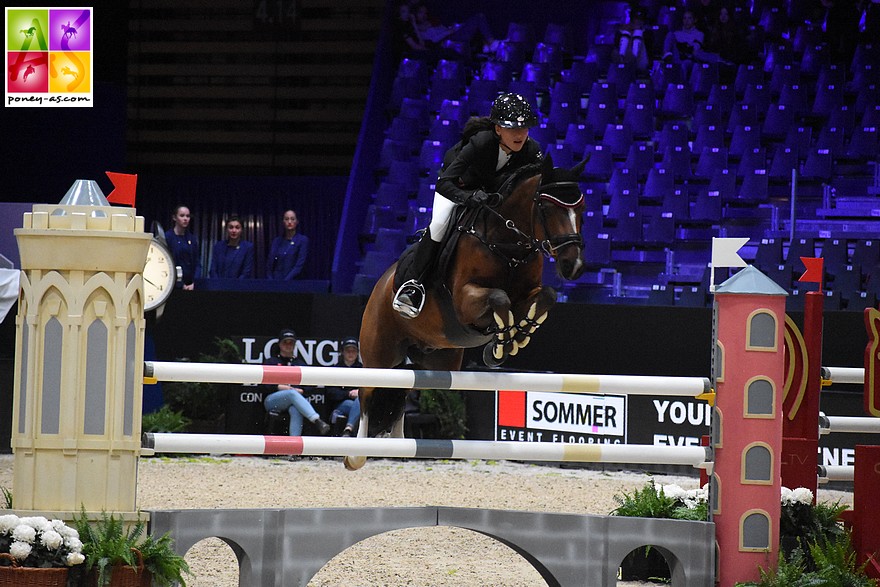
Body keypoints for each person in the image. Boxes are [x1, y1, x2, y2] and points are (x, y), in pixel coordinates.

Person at [391, 93, 543, 318]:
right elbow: (444, 183)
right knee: (439, 225)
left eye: (525, 128)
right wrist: (468, 197)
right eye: (512, 129)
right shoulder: (481, 143)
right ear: (498, 129)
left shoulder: (531, 150)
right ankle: (414, 285)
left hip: (490, 194)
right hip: (457, 187)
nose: (520, 134)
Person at [263, 329, 331, 436]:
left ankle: (293, 449)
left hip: (295, 399)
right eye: (285, 342)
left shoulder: (300, 363)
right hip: (272, 400)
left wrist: (302, 390)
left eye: (291, 343)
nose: (288, 345)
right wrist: (283, 388)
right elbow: (264, 386)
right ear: (279, 344)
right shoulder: (271, 361)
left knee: (296, 408)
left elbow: (311, 385)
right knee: (291, 394)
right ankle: (316, 420)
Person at [327, 337, 363, 437]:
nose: (351, 353)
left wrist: (360, 393)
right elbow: (331, 392)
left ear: (357, 353)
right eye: (348, 351)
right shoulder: (335, 369)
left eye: (353, 351)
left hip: (361, 404)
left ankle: (348, 429)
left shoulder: (363, 369)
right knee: (353, 403)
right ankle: (349, 428)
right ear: (342, 352)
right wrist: (348, 394)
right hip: (340, 405)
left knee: (359, 401)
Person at [164, 205, 200, 290]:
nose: (185, 219)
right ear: (174, 218)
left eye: (188, 216)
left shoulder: (192, 239)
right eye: (182, 215)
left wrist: (194, 282)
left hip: (191, 285)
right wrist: (179, 284)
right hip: (171, 285)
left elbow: (197, 263)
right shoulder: (167, 237)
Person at [267, 209, 309, 280]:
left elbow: (299, 265)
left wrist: (286, 282)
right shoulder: (277, 241)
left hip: (293, 282)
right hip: (275, 282)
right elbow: (270, 264)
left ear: (297, 222)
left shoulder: (302, 240)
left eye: (292, 219)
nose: (289, 222)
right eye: (286, 219)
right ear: (283, 222)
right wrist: (270, 280)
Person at [613, 4, 651, 72]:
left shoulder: (647, 33)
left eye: (640, 19)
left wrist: (638, 32)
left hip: (640, 64)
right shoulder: (621, 31)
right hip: (622, 64)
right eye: (636, 19)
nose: (638, 22)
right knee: (626, 33)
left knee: (638, 33)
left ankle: (633, 60)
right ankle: (623, 59)